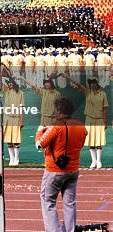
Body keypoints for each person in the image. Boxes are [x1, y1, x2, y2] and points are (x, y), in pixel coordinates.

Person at [36, 98, 87, 232]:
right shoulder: (81, 126)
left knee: (48, 201)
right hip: (73, 169)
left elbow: (40, 144)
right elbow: (80, 145)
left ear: (59, 111)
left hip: (54, 170)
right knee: (69, 203)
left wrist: (40, 131)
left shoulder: (55, 126)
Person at [66, 75, 108, 168]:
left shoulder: (103, 94)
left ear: (98, 84)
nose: (93, 85)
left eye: (94, 83)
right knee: (90, 141)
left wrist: (105, 121)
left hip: (99, 119)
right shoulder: (88, 92)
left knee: (99, 141)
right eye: (91, 83)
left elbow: (105, 108)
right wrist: (67, 77)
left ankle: (99, 161)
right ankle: (93, 161)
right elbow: (78, 84)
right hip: (89, 119)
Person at [1, 79, 24, 166]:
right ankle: (11, 158)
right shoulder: (7, 92)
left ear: (14, 84)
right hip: (7, 118)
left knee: (16, 139)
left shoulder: (21, 93)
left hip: (16, 118)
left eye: (11, 83)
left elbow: (21, 107)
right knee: (8, 139)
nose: (9, 85)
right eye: (8, 84)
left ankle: (16, 158)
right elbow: (0, 82)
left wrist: (21, 120)